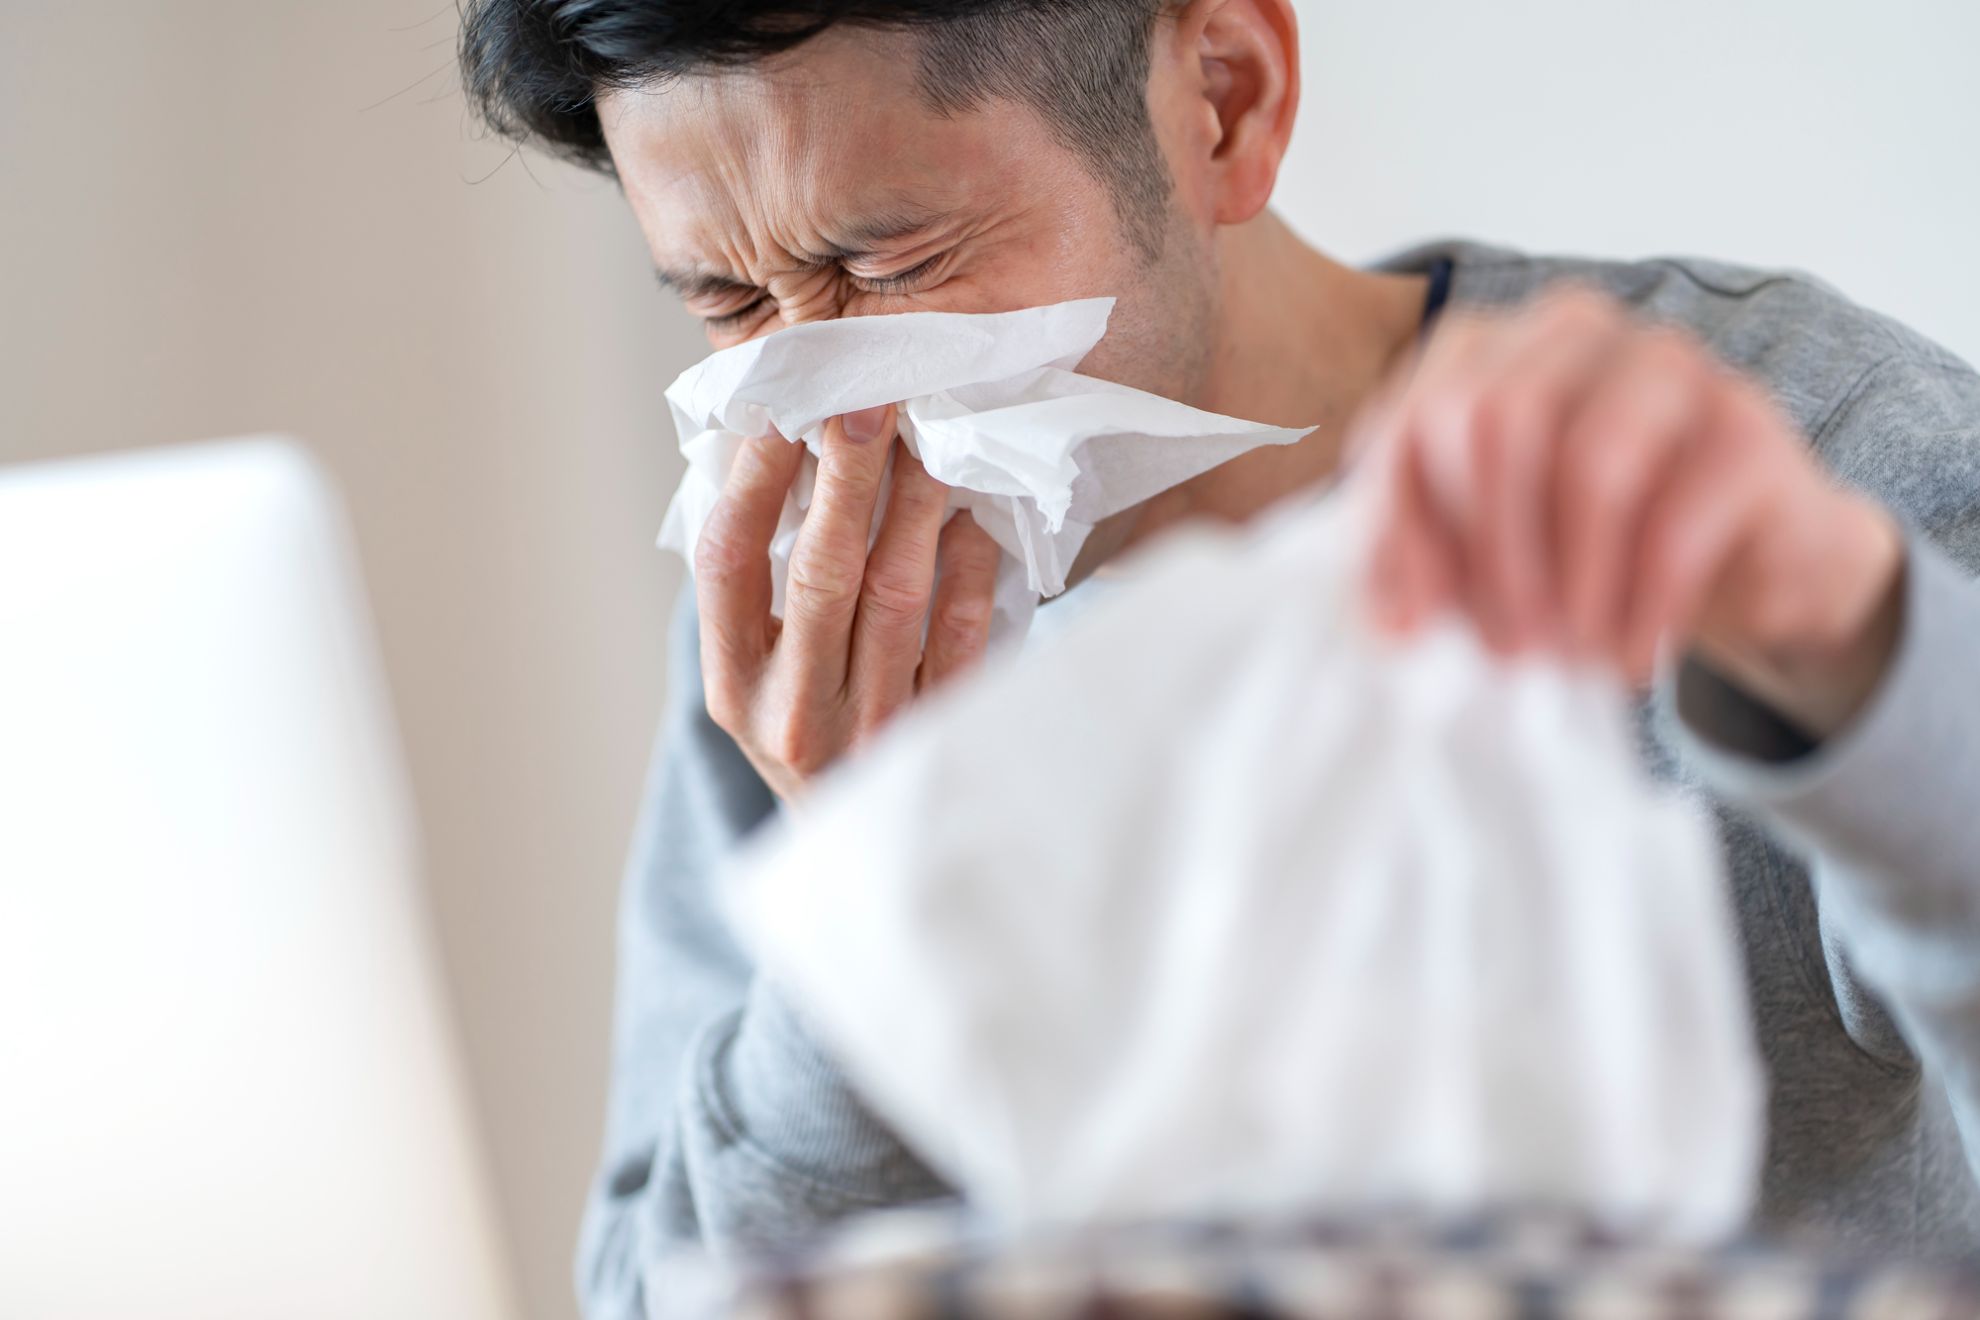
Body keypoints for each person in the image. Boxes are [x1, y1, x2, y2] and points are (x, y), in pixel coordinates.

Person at [456, 3, 1980, 1315]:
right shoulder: (808, 635)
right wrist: (863, 921)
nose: (821, 408)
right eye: (729, 305)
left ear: (1225, 98)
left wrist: (1864, 673)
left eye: (897, 266)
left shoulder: (1784, 482)